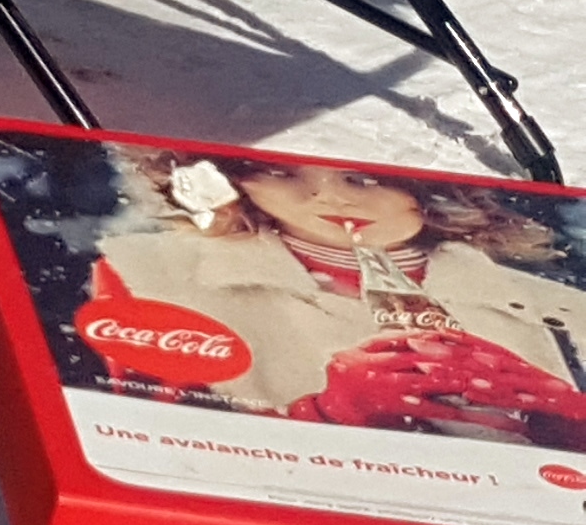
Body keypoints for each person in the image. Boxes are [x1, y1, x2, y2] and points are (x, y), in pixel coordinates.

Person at [99, 152, 586, 449]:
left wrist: (570, 421)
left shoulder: (560, 308)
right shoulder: (152, 273)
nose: (328, 198)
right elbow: (139, 443)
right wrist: (328, 415)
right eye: (277, 171)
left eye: (363, 177)